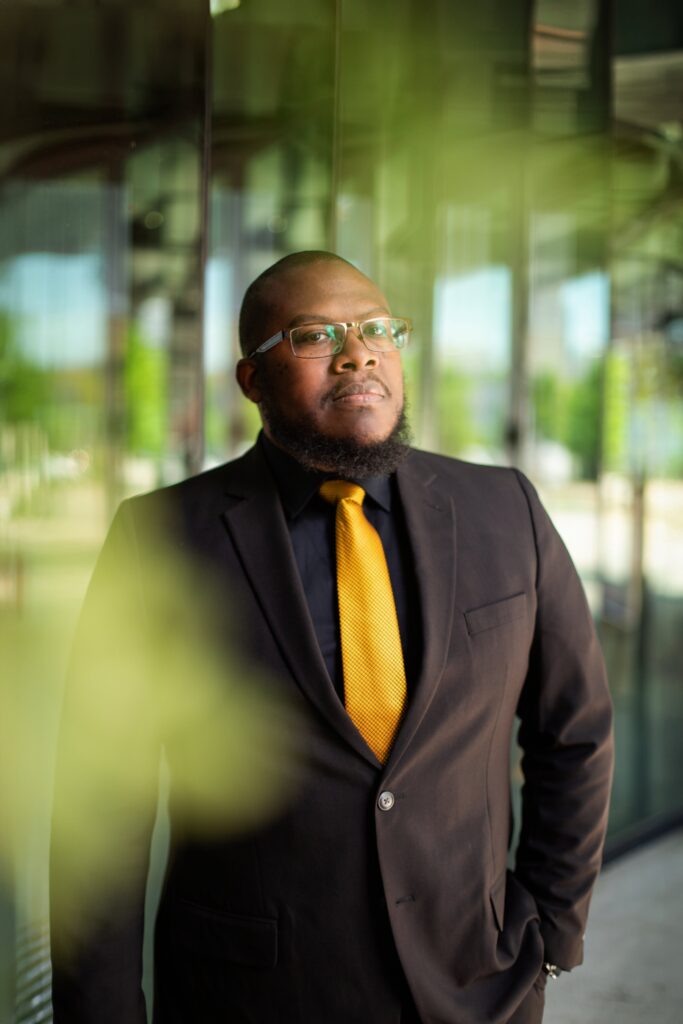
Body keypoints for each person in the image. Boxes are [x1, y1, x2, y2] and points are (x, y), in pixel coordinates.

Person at [50, 251, 614, 1024]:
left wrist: (551, 926)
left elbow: (574, 730)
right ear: (251, 381)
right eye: (314, 335)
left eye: (378, 329)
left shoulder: (502, 510)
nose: (359, 353)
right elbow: (102, 809)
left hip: (478, 983)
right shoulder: (160, 539)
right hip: (252, 995)